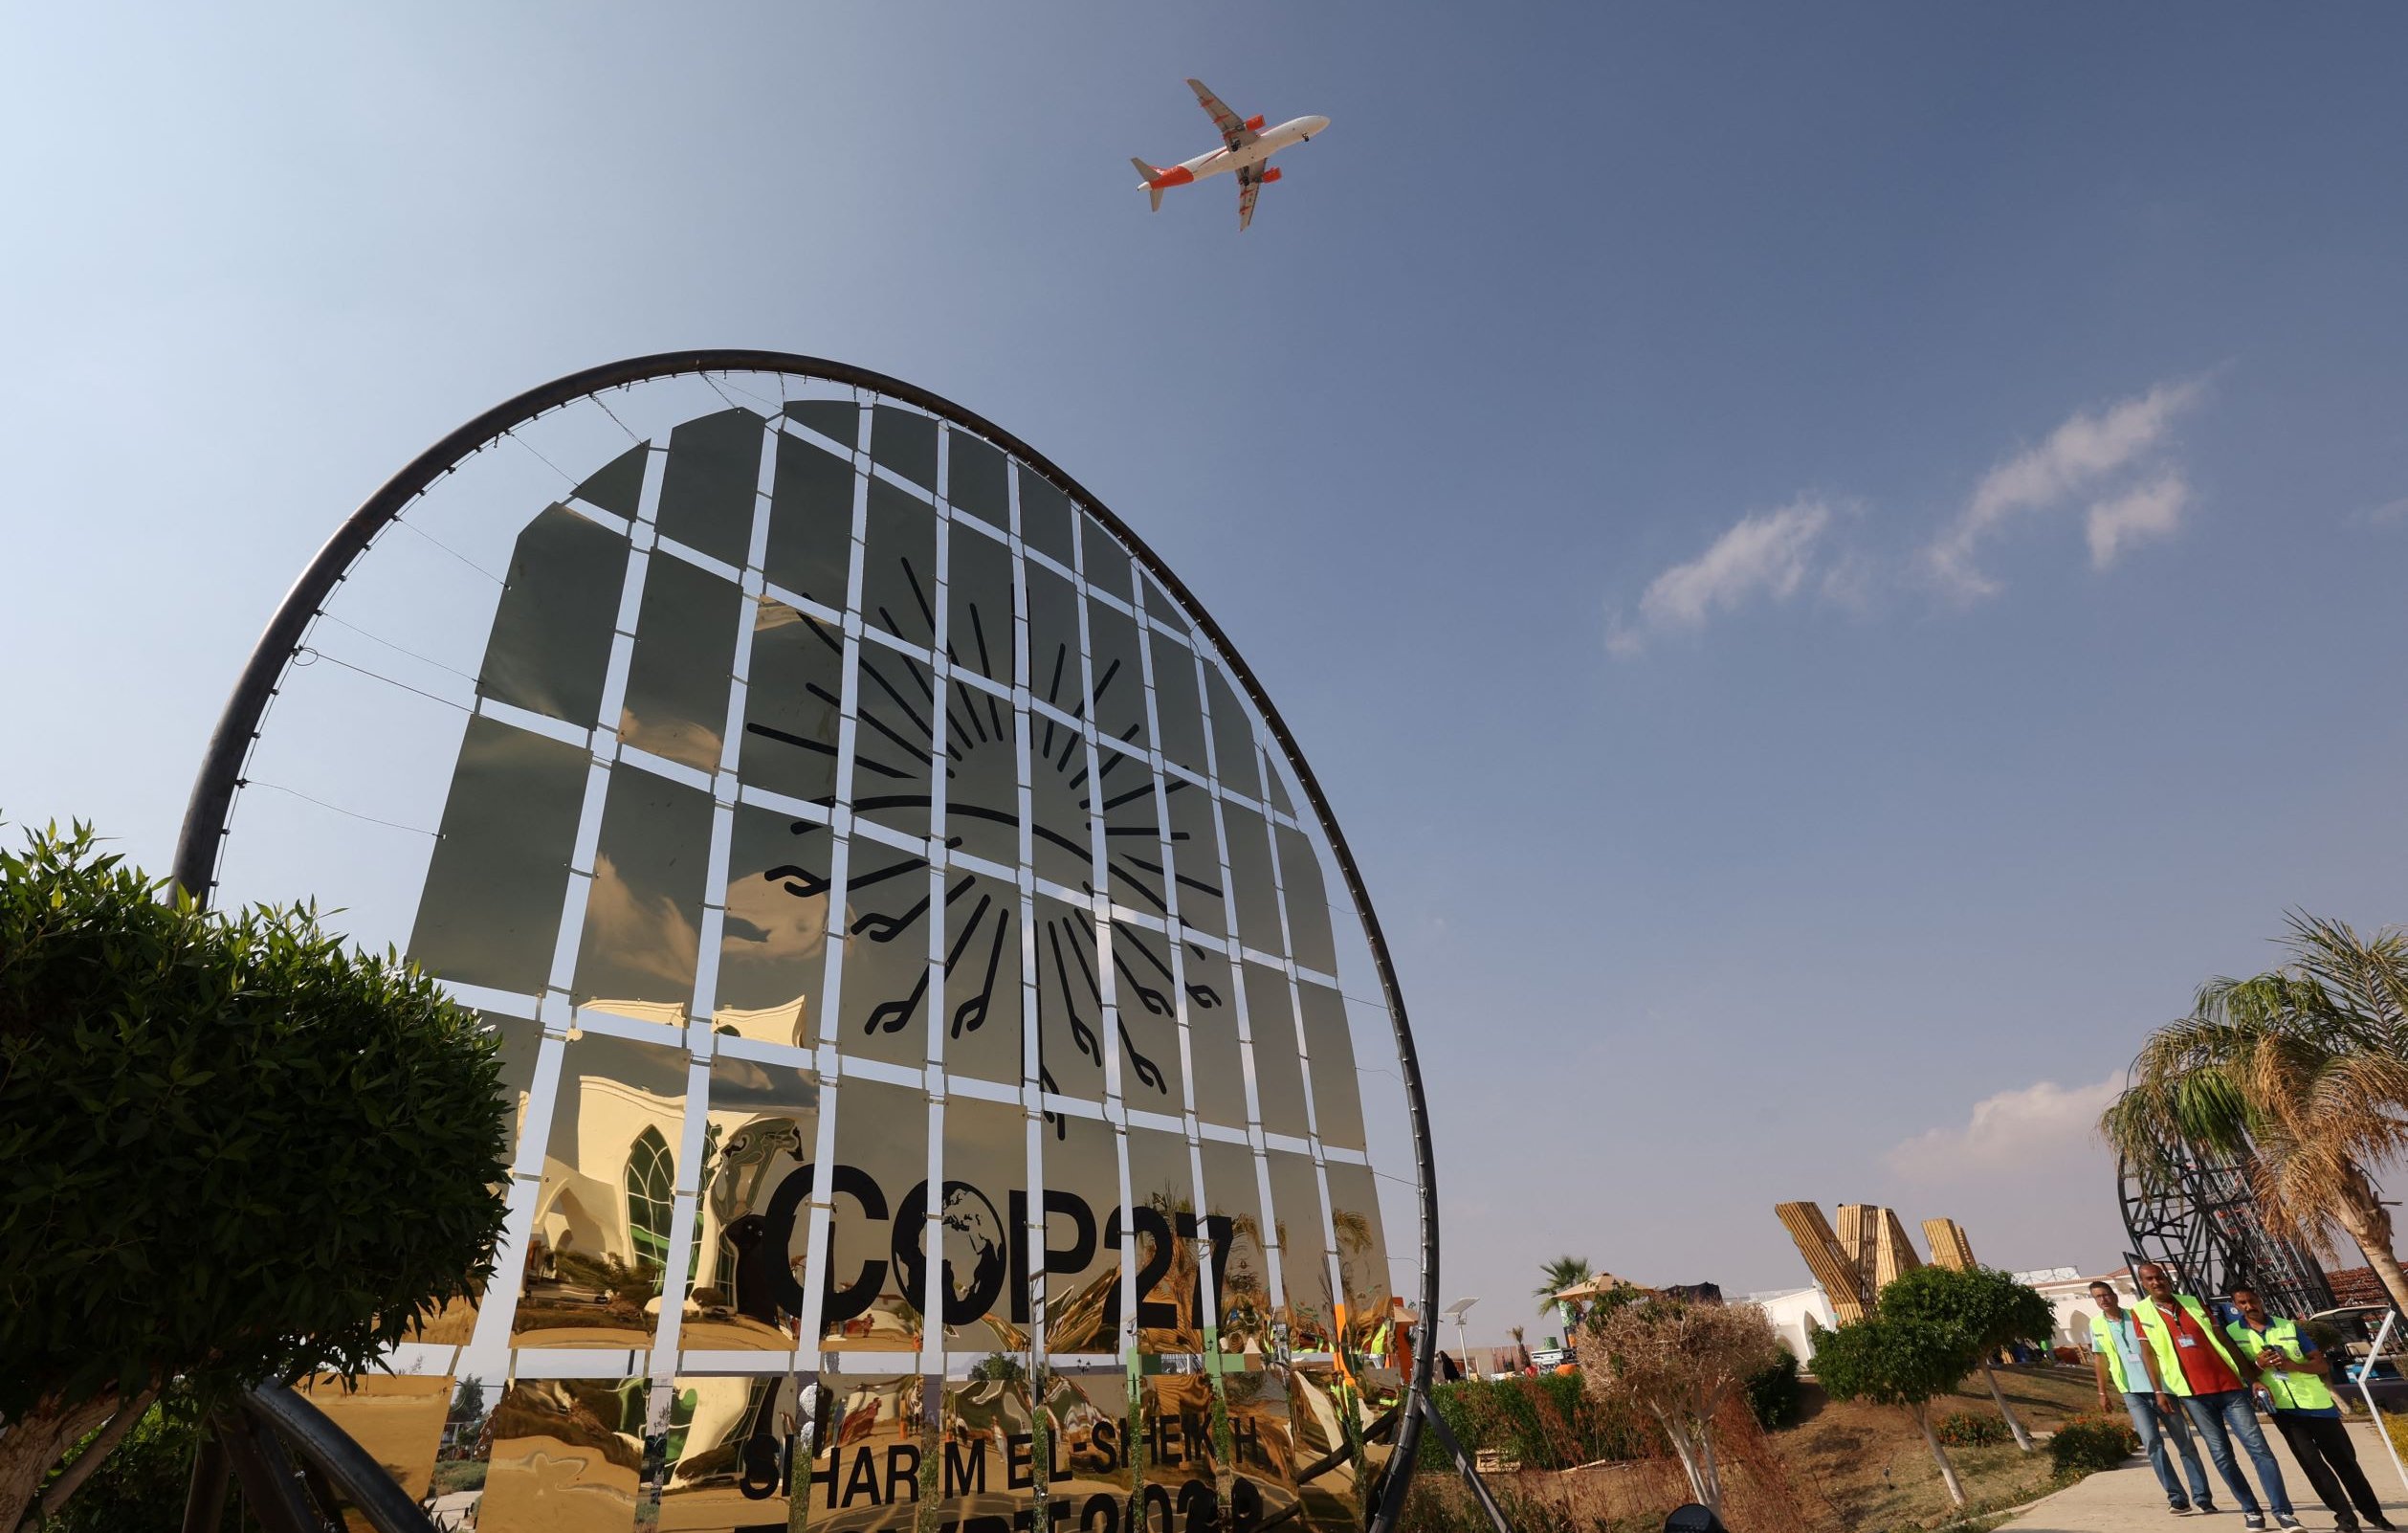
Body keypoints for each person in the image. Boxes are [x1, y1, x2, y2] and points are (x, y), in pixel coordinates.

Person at [2132, 1261, 2302, 1530]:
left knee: (2259, 1450)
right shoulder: (2139, 1313)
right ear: (2143, 1284)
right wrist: (2158, 1391)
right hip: (2193, 1395)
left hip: (2230, 1388)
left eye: (2159, 1277)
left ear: (2166, 1278)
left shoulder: (2192, 1302)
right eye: (2150, 1279)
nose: (2156, 1282)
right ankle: (2251, 1510)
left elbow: (2223, 1339)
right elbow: (2149, 1354)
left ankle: (2283, 1512)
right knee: (2221, 1455)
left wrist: (2253, 1379)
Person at [2226, 1284, 2397, 1533]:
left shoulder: (2287, 1326)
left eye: (2252, 1300)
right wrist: (2259, 1364)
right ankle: (2346, 1518)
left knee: (2345, 1463)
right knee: (2314, 1467)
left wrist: (2291, 1365)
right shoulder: (2232, 1333)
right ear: (2235, 1305)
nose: (2249, 1307)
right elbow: (2244, 1373)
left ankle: (2375, 1515)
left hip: (2317, 1406)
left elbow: (2321, 1365)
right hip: (2284, 1410)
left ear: (2259, 1299)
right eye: (2242, 1303)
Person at [2088, 1278, 2216, 1514]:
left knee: (2184, 1442)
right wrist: (2102, 1392)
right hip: (2132, 1392)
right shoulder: (2096, 1325)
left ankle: (2202, 1496)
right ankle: (2176, 1497)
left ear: (2114, 1295)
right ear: (2095, 1301)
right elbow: (2100, 1358)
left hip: (2163, 1387)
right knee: (2151, 1442)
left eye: (2106, 1294)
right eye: (2098, 1297)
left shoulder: (2137, 1315)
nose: (2103, 1299)